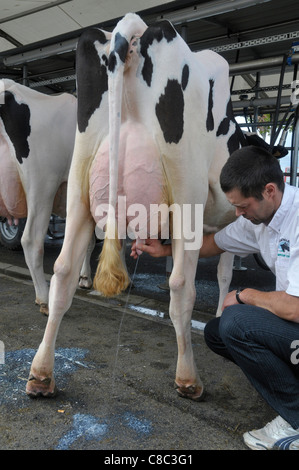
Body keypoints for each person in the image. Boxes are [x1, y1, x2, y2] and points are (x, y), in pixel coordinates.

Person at [130, 145, 299, 450]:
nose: (237, 214)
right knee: (217, 332)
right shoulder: (261, 219)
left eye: (242, 206)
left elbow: (295, 308)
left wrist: (244, 294)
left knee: (235, 321)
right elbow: (214, 243)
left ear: (270, 190)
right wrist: (165, 249)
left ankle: (296, 418)